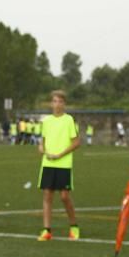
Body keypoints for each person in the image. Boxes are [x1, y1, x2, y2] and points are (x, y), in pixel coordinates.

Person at [37, 91, 81, 241]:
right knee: (47, 195)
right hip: (48, 164)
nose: (57, 104)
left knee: (64, 196)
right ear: (51, 103)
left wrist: (60, 154)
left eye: (60, 102)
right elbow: (42, 141)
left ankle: (74, 226)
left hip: (64, 164)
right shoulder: (47, 121)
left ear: (64, 104)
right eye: (54, 101)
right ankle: (46, 230)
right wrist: (42, 148)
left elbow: (76, 142)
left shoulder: (69, 120)